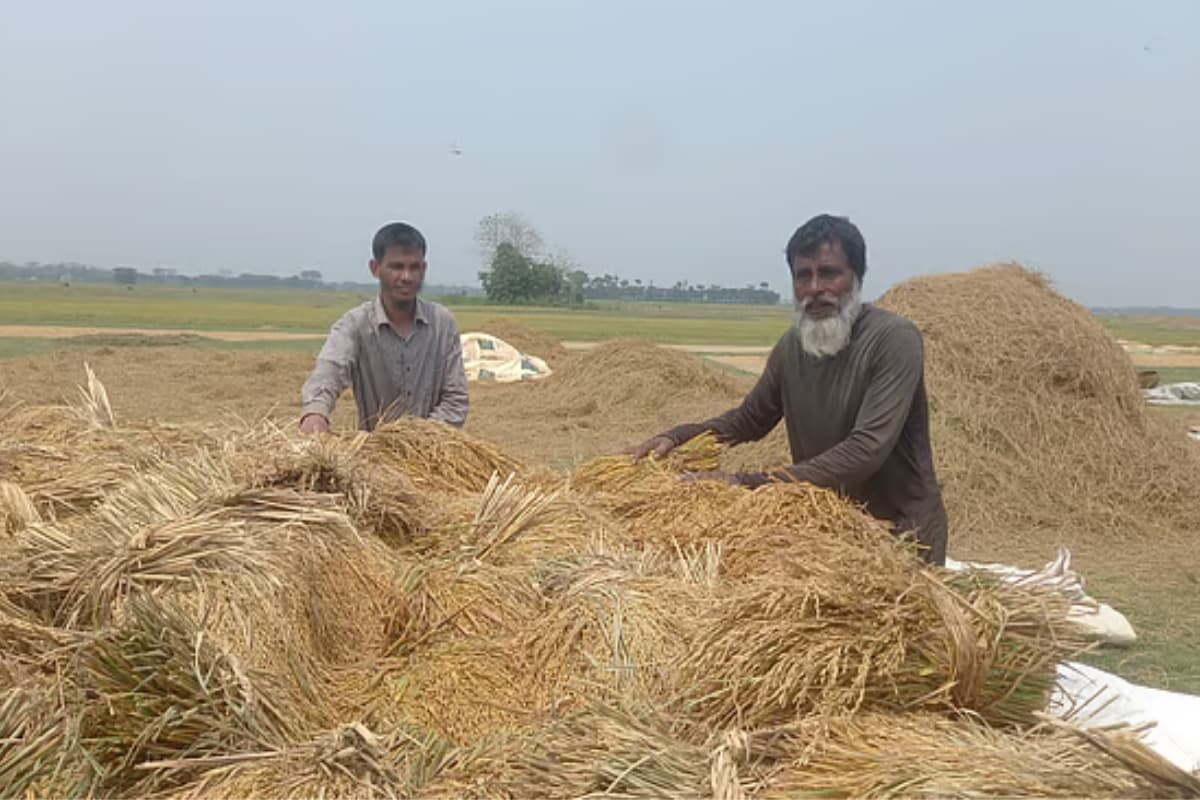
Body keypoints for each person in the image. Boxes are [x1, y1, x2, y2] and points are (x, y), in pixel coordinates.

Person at [627, 214, 947, 564]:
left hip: (902, 536)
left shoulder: (893, 339)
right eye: (802, 276)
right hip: (833, 530)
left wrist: (747, 482)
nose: (814, 289)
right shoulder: (792, 347)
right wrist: (677, 438)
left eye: (828, 273)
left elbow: (866, 448)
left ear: (856, 278)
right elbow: (748, 420)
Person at [300, 222, 469, 433]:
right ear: (375, 268)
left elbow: (456, 399)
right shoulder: (356, 324)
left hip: (434, 452)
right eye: (396, 267)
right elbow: (329, 371)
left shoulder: (442, 323)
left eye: (414, 267)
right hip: (374, 456)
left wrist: (418, 438)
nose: (406, 277)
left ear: (424, 269)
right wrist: (315, 413)